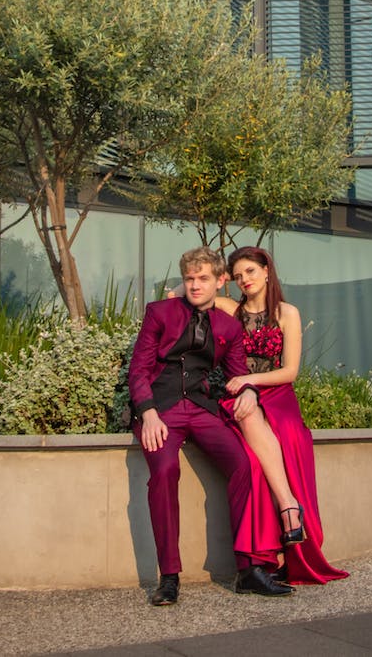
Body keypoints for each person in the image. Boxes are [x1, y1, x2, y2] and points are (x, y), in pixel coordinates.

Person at [128, 246, 296, 605]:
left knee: (244, 465)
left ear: (221, 281)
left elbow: (238, 373)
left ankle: (248, 569)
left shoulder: (229, 325)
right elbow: (139, 369)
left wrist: (248, 390)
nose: (195, 285)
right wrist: (148, 413)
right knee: (164, 471)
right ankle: (169, 577)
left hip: (203, 409)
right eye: (189, 278)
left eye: (203, 278)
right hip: (162, 410)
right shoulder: (159, 312)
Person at [216, 245, 350, 586]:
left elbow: (289, 372)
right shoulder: (230, 310)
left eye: (249, 271)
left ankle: (293, 540)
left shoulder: (287, 312)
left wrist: (250, 379)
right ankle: (286, 513)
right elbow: (194, 294)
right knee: (251, 453)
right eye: (237, 276)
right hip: (240, 396)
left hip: (277, 394)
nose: (243, 279)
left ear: (266, 270)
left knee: (289, 435)